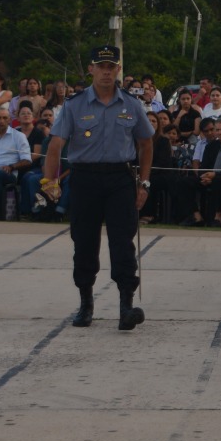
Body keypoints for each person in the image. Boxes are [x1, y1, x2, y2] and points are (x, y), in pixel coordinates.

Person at [40, 45, 155, 331]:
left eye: (111, 66)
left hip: (120, 179)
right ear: (91, 69)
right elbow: (56, 144)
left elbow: (146, 143)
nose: (106, 72)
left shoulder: (131, 104)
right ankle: (85, 303)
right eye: (101, 66)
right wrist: (49, 181)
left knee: (122, 242)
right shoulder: (74, 105)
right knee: (84, 242)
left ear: (118, 69)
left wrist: (144, 182)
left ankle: (126, 306)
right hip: (85, 179)